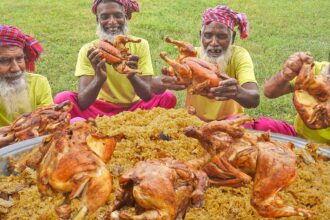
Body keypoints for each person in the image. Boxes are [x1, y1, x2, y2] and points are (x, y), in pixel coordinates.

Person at [152, 5, 297, 136]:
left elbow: (254, 98)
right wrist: (164, 82)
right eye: (208, 36)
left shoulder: (239, 56)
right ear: (200, 36)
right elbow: (155, 86)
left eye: (221, 36)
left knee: (242, 126)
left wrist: (236, 91)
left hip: (229, 121)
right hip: (193, 121)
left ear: (232, 38)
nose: (213, 43)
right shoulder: (190, 57)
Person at [54, 0, 176, 120]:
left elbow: (147, 95)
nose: (112, 22)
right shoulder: (89, 50)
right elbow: (83, 103)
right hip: (100, 109)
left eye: (118, 16)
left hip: (135, 108)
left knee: (167, 97)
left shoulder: (140, 44)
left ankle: (127, 123)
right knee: (63, 99)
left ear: (126, 17)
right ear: (98, 20)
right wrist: (99, 78)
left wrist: (132, 75)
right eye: (105, 17)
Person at [264, 52, 330, 144]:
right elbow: (269, 92)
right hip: (298, 138)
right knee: (261, 125)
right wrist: (284, 75)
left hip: (326, 149)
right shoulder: (313, 72)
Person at [0, 24, 53, 128]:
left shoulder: (39, 83)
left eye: (19, 58)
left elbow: (49, 121)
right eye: (5, 61)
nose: (15, 68)